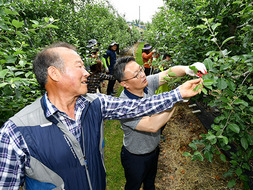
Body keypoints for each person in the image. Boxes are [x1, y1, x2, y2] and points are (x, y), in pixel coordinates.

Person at [0, 42, 203, 190]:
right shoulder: (16, 131)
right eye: (79, 66)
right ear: (54, 74)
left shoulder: (95, 103)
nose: (87, 72)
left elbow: (139, 107)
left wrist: (179, 91)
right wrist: (177, 98)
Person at [113, 56, 207, 190]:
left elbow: (169, 73)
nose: (142, 75)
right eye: (136, 74)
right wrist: (177, 98)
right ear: (124, 84)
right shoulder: (124, 106)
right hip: (135, 157)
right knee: (133, 185)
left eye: (141, 69)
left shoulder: (146, 85)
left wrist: (188, 69)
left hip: (153, 150)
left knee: (150, 183)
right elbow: (152, 125)